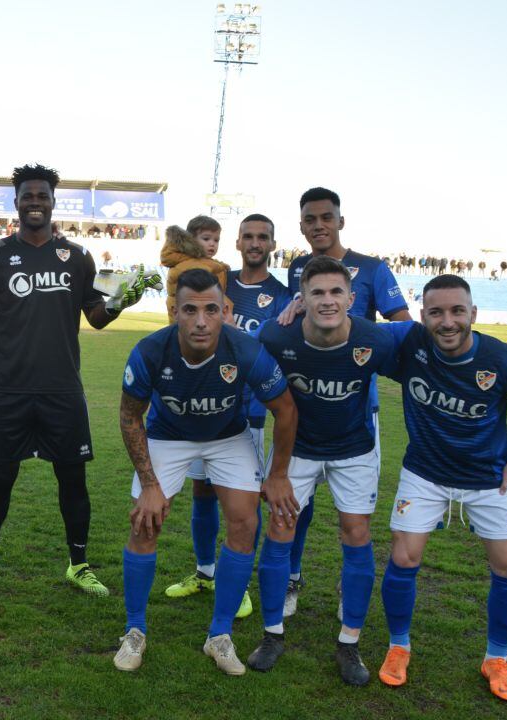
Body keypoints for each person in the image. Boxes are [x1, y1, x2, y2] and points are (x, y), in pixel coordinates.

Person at [0, 163, 158, 596]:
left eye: (42, 196)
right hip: (7, 390)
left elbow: (97, 318)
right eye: (28, 196)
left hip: (63, 390)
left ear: (52, 202)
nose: (35, 203)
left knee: (73, 481)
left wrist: (120, 301)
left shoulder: (78, 256)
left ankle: (78, 565)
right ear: (17, 202)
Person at [114, 269, 296, 674]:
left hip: (228, 437)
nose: (201, 321)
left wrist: (278, 474)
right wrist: (149, 484)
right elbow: (130, 417)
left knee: (245, 524)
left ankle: (220, 634)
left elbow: (285, 409)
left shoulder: (245, 350)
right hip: (168, 435)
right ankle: (134, 630)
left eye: (211, 310)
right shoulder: (149, 351)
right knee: (146, 521)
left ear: (225, 311)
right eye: (190, 310)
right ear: (174, 311)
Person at [375, 274, 507, 702]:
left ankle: (496, 658)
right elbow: (351, 332)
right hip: (425, 472)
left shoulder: (505, 360)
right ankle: (399, 647)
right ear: (423, 316)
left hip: (488, 477)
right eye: (436, 312)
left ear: (473, 313)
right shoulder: (408, 345)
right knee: (403, 555)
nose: (447, 322)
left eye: (456, 311)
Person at [249, 255, 398, 686]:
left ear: (352, 298)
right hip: (298, 449)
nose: (327, 301)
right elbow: (245, 364)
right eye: (317, 293)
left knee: (356, 533)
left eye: (336, 292)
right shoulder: (278, 334)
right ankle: (272, 635)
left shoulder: (375, 339)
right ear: (302, 298)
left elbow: (423, 350)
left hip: (354, 449)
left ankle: (349, 643)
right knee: (280, 531)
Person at [279, 187, 411, 619]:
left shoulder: (372, 269)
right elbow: (292, 324)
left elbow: (403, 327)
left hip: (356, 405)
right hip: (303, 406)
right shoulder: (298, 267)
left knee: (352, 515)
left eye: (326, 217)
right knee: (296, 507)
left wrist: (361, 343)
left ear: (340, 220)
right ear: (301, 225)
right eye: (310, 219)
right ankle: (291, 579)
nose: (318, 225)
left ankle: (347, 585)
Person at [164, 214, 291, 621]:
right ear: (236, 242)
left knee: (241, 506)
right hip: (201, 409)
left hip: (246, 414)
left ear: (272, 244)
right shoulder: (217, 278)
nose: (254, 244)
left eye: (262, 238)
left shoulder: (283, 295)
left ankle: (240, 585)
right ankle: (205, 571)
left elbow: (277, 352)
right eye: (247, 237)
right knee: (202, 492)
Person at [159, 217, 229, 323]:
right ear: (191, 241)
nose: (212, 243)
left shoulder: (208, 263)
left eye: (216, 240)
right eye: (206, 239)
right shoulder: (187, 264)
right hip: (188, 326)